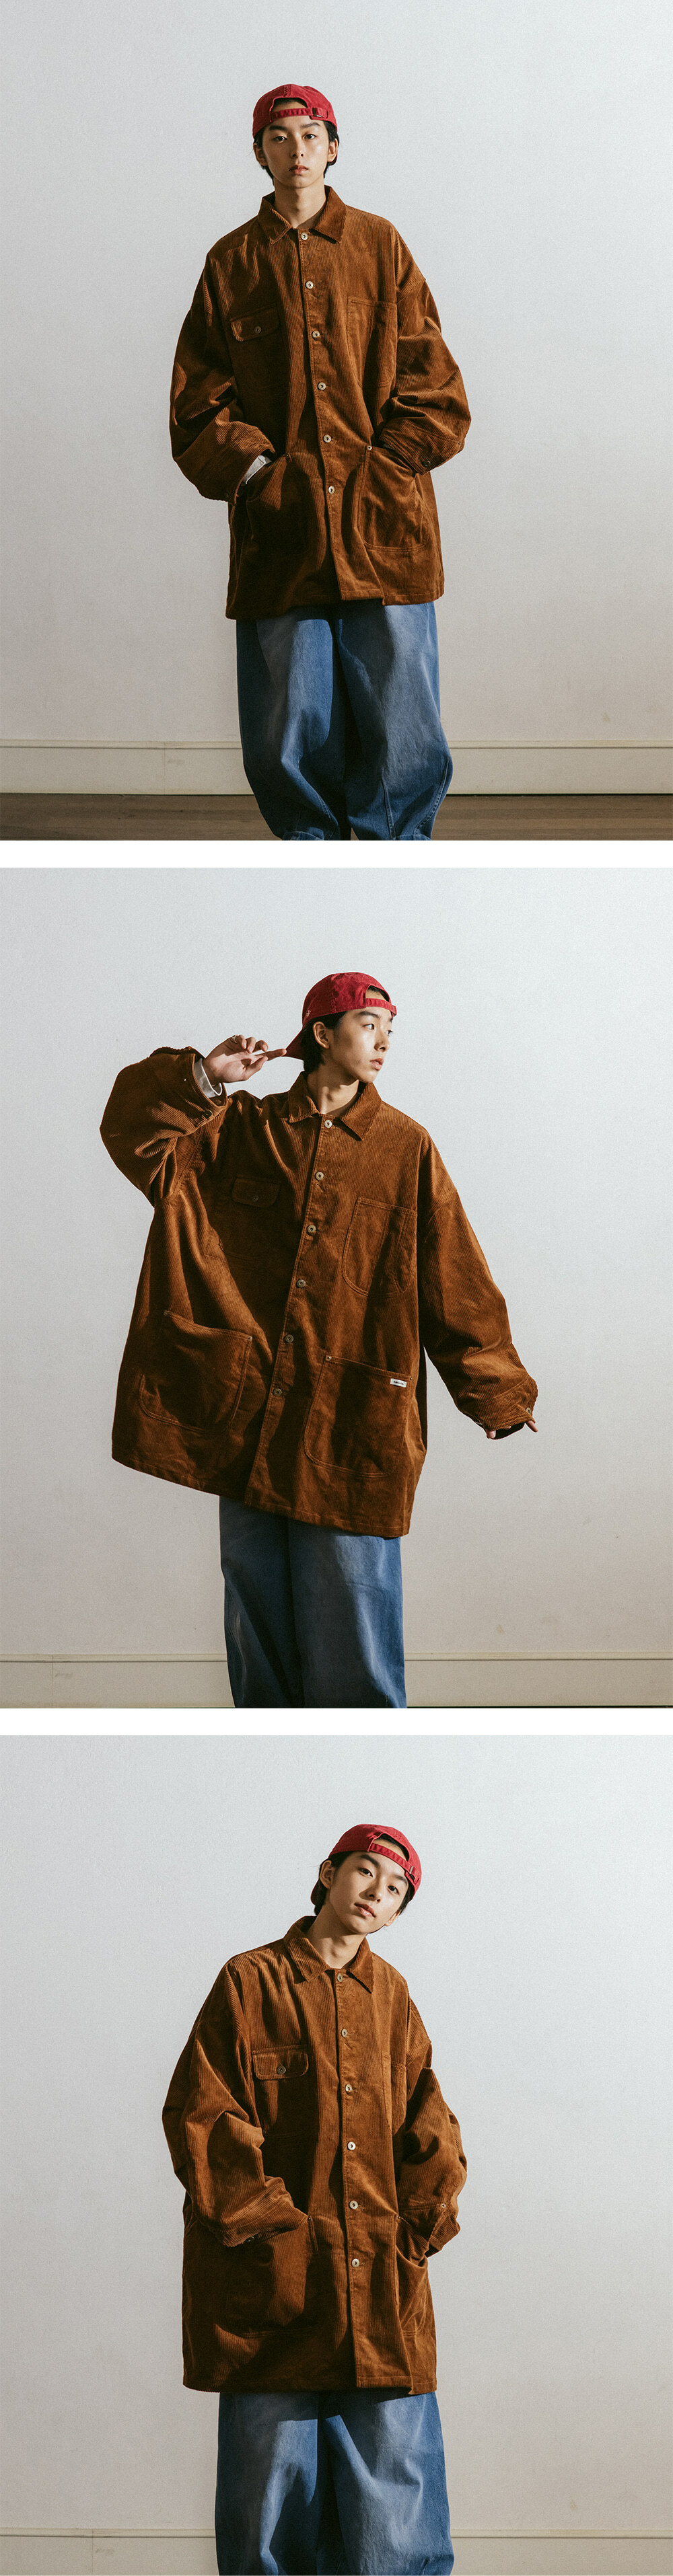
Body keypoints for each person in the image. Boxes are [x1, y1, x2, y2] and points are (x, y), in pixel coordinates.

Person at [100, 969, 538, 1710]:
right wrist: (206, 1077)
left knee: (355, 1626)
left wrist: (494, 1389)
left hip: (347, 1421)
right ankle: (269, 1750)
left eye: (391, 1030)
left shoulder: (405, 1148)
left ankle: (365, 1753)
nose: (385, 1043)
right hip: (244, 1419)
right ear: (322, 1034)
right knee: (259, 1632)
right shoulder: (240, 1132)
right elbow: (136, 1129)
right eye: (370, 1026)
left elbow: (452, 1273)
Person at [162, 1819, 466, 2575]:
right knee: (270, 2506)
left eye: (394, 1889)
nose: (375, 1892)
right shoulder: (249, 1980)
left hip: (381, 2285)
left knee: (397, 2502)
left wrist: (418, 2228)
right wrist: (273, 2228)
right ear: (329, 1873)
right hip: (277, 2287)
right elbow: (204, 2113)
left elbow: (430, 2121)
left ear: (396, 1913)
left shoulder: (392, 1996)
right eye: (365, 1871)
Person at [170, 83, 470, 839]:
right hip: (284, 529)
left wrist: (388, 469)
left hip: (384, 526)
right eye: (278, 138)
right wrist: (261, 478)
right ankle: (309, 856)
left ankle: (395, 854)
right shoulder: (231, 263)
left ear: (332, 148)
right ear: (259, 154)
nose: (295, 151)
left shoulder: (381, 246)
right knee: (289, 721)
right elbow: (198, 403)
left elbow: (435, 386)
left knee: (402, 717)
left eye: (310, 136)